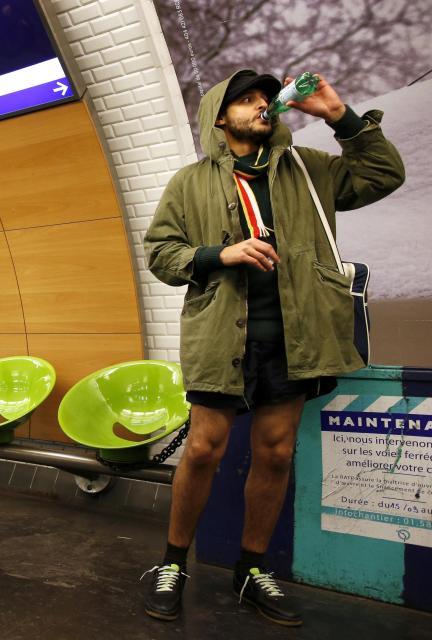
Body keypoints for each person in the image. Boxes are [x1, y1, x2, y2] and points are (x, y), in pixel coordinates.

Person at [141, 70, 404, 625]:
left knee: (277, 452)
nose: (261, 105)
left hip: (297, 337)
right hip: (220, 337)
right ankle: (172, 562)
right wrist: (220, 255)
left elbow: (383, 174)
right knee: (205, 449)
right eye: (246, 99)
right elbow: (162, 254)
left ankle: (253, 568)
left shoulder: (310, 169)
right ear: (220, 116)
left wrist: (337, 113)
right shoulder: (190, 182)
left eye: (266, 98)